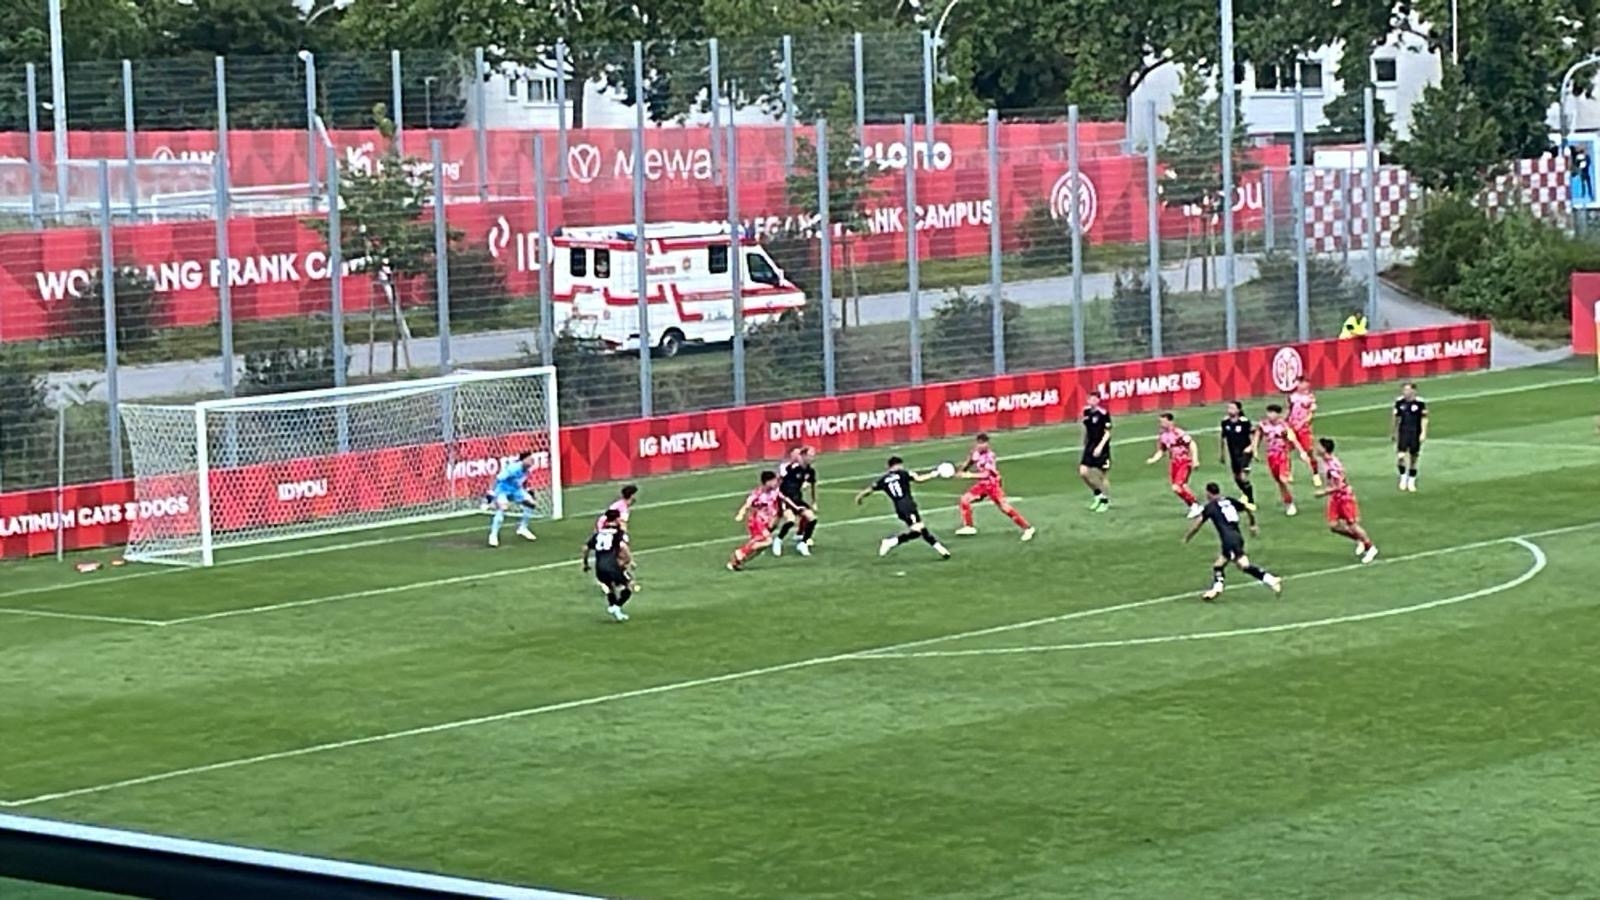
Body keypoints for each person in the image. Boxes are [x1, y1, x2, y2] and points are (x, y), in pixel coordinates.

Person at [1183, 482, 1283, 601]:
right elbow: (1247, 508)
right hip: (1237, 538)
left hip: (1229, 540)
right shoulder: (1229, 500)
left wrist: (1187, 537)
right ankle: (1217, 588)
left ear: (1209, 493)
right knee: (1219, 565)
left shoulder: (1210, 507)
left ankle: (1270, 579)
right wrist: (1252, 524)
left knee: (1243, 565)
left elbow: (1197, 524)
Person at [854, 456, 951, 560]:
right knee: (918, 530)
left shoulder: (883, 479)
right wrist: (934, 473)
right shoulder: (903, 474)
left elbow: (870, 489)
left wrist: (860, 496)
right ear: (897, 465)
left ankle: (942, 550)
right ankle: (891, 542)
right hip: (908, 506)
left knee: (921, 530)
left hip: (900, 507)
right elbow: (919, 479)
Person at [954, 433, 1035, 541]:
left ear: (987, 444)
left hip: (992, 484)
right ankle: (969, 527)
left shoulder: (989, 457)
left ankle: (1027, 528)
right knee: (964, 499)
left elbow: (987, 474)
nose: (981, 445)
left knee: (1005, 507)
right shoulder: (975, 453)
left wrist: (969, 475)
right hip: (982, 485)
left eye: (983, 443)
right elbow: (969, 462)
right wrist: (961, 471)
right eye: (979, 443)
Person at [1314, 438, 1380, 563]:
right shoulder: (1324, 462)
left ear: (1325, 449)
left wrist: (1323, 492)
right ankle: (1359, 539)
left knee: (1352, 525)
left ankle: (1370, 548)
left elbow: (1340, 485)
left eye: (1319, 446)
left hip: (1344, 497)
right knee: (1333, 526)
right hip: (1335, 498)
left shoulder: (1333, 465)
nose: (1316, 448)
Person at [728, 471, 792, 571]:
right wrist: (741, 514)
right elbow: (747, 504)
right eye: (774, 481)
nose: (776, 483)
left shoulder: (775, 492)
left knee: (760, 547)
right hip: (756, 521)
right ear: (767, 482)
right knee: (768, 541)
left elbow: (784, 498)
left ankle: (737, 562)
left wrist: (795, 507)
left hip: (765, 521)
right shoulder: (757, 494)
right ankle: (741, 551)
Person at [1255, 404, 1312, 516]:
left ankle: (1290, 500)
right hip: (1271, 456)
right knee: (1279, 482)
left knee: (1283, 479)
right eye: (1268, 412)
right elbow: (1258, 436)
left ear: (1278, 414)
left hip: (1282, 455)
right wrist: (1254, 449)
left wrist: (1302, 452)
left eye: (1272, 413)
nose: (1270, 415)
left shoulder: (1284, 426)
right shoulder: (1263, 425)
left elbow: (1293, 439)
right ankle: (1288, 501)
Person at [582, 508, 635, 622]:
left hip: (599, 567)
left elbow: (586, 548)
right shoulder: (618, 533)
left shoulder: (598, 534)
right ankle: (617, 606)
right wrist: (630, 561)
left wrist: (585, 563)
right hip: (612, 566)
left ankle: (617, 612)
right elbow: (623, 547)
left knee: (610, 588)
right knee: (629, 584)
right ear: (617, 519)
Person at [1146, 413, 1202, 518]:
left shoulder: (1179, 433)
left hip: (1184, 461)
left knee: (1176, 487)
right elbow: (1162, 450)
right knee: (1182, 486)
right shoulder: (1163, 436)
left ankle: (1195, 505)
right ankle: (1195, 505)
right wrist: (1153, 459)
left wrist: (1195, 459)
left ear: (1170, 421)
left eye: (1163, 421)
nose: (1161, 424)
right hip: (1174, 463)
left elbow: (1192, 444)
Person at [773, 447, 820, 557]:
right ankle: (778, 540)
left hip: (797, 499)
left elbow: (813, 485)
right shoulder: (792, 468)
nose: (812, 458)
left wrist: (814, 502)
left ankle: (803, 543)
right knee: (790, 520)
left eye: (813, 456)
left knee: (812, 519)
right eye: (810, 455)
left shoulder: (810, 471)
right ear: (803, 456)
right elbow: (780, 478)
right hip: (785, 498)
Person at [487, 450, 538, 547]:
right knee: (503, 508)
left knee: (531, 504)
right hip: (503, 490)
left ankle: (523, 528)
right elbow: (498, 478)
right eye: (529, 459)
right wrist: (491, 492)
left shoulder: (527, 469)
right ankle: (493, 535)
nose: (532, 461)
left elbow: (523, 480)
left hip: (516, 490)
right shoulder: (513, 468)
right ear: (523, 460)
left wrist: (527, 489)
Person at [1078, 392, 1113, 512]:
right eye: (1090, 399)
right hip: (1090, 446)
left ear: (1098, 400)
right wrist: (1084, 442)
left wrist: (1100, 447)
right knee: (1083, 472)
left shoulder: (1103, 413)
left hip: (1102, 447)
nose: (1092, 401)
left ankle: (1105, 501)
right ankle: (1098, 495)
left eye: (1095, 399)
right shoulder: (1086, 412)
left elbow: (1107, 433)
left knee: (1102, 475)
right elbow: (1085, 428)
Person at [1219, 401, 1257, 509]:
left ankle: (1251, 501)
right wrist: (1222, 453)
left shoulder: (1244, 422)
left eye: (1232, 408)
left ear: (1238, 410)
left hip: (1245, 453)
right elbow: (1223, 438)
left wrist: (1252, 448)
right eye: (1229, 408)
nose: (1230, 410)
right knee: (1236, 477)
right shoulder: (1225, 422)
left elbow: (1253, 435)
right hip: (1233, 454)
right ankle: (1245, 494)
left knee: (1243, 476)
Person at [1392, 383, 1428, 492]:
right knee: (1401, 456)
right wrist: (1394, 432)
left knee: (1413, 458)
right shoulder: (1399, 402)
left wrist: (1423, 433)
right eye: (1404, 390)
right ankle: (1403, 477)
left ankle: (1411, 481)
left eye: (1407, 390)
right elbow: (1396, 418)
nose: (1405, 392)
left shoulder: (1420, 403)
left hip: (1415, 433)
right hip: (1403, 432)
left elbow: (1424, 418)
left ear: (1413, 391)